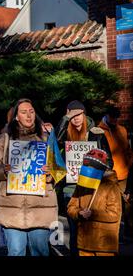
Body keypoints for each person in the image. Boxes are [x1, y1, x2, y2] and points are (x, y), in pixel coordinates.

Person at [0, 98, 57, 256]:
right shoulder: (2, 140)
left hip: (41, 208)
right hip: (11, 209)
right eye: (24, 112)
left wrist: (50, 173)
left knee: (40, 252)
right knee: (16, 252)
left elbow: (58, 170)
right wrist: (4, 170)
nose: (29, 115)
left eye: (31, 112)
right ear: (16, 117)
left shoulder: (47, 140)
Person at [55, 100, 112, 255]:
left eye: (79, 113)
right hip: (71, 189)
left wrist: (99, 167)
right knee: (75, 232)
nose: (76, 117)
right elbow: (56, 141)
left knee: (91, 231)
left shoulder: (96, 133)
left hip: (92, 189)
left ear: (84, 114)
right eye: (72, 114)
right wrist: (65, 119)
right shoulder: (65, 133)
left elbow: (109, 161)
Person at [67, 148, 122, 256]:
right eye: (85, 166)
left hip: (104, 246)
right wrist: (79, 213)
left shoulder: (111, 186)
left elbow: (114, 214)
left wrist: (93, 214)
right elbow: (71, 207)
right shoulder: (82, 185)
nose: (87, 169)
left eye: (90, 167)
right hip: (84, 243)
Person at [98, 106, 133, 241]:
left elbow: (127, 149)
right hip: (108, 176)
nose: (114, 120)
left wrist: (129, 164)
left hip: (124, 174)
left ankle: (128, 233)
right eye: (112, 117)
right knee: (113, 206)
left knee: (128, 204)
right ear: (106, 115)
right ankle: (114, 236)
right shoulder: (98, 131)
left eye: (116, 117)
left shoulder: (122, 130)